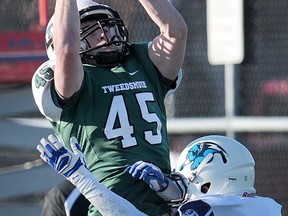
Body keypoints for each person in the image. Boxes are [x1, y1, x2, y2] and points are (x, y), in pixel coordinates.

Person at [31, 0, 187, 215]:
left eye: (107, 25)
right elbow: (67, 50)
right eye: (90, 29)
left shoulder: (141, 60)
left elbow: (176, 32)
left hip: (163, 202)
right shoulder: (73, 79)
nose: (105, 34)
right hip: (109, 208)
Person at [37, 134, 282, 216]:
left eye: (188, 180)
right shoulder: (269, 207)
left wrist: (81, 177)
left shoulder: (202, 210)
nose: (182, 186)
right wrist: (170, 191)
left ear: (207, 183)